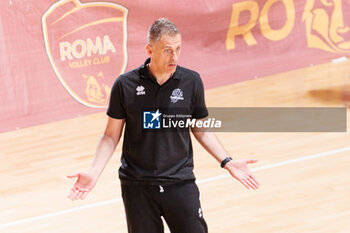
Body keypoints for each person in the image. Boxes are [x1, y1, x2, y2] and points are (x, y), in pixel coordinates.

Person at [67, 18, 260, 233]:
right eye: (167, 50)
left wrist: (227, 161)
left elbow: (201, 129)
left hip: (179, 182)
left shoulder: (191, 81)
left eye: (178, 49)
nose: (174, 56)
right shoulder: (125, 85)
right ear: (149, 49)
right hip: (137, 186)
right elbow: (111, 136)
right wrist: (94, 171)